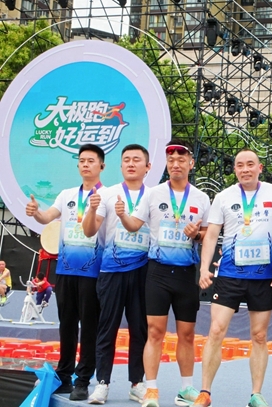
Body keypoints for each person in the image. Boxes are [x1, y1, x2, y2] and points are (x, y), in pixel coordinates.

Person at [119, 139, 211, 407]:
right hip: (157, 273)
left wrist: (197, 234)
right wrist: (123, 215)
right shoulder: (154, 194)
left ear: (191, 164)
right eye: (171, 160)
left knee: (187, 334)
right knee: (155, 332)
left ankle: (186, 389)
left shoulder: (201, 198)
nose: (176, 164)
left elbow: (208, 234)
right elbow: (134, 225)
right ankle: (151, 389)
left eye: (181, 159)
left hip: (186, 274)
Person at [195, 149, 272, 407]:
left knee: (259, 335)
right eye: (240, 165)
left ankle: (256, 394)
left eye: (250, 164)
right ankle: (205, 392)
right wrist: (204, 268)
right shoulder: (223, 197)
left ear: (260, 168)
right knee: (216, 330)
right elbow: (211, 236)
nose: (245, 169)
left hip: (263, 277)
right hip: (229, 275)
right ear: (234, 169)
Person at [26, 144, 106, 400]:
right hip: (66, 270)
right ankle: (64, 376)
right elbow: (47, 217)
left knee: (90, 327)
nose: (85, 164)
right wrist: (36, 212)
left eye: (91, 160)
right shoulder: (67, 194)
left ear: (101, 165)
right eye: (82, 160)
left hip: (93, 272)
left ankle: (83, 380)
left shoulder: (107, 195)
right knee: (67, 325)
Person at [82, 144, 152, 404]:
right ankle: (102, 383)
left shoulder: (153, 196)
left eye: (136, 160)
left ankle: (137, 383)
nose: (131, 164)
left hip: (143, 271)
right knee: (106, 328)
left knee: (139, 329)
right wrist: (91, 209)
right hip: (111, 270)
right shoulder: (107, 194)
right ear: (120, 165)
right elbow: (89, 231)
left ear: (148, 166)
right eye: (126, 160)